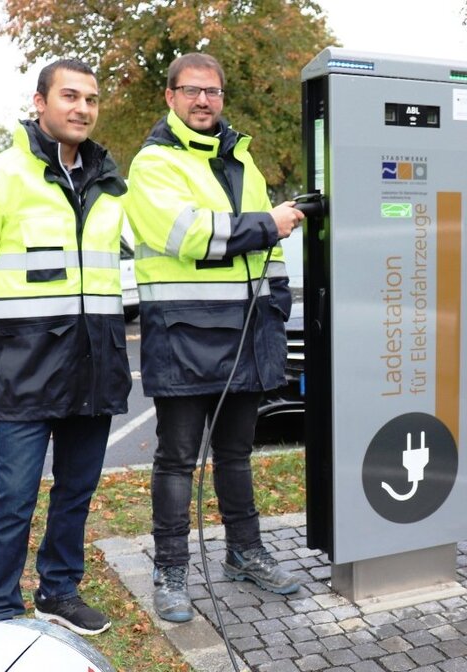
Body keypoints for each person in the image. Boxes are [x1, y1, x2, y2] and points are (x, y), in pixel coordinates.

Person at [0, 59, 132, 636]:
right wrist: (10, 316)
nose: (82, 108)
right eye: (70, 96)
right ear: (39, 102)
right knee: (15, 496)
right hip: (28, 366)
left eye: (91, 99)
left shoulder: (109, 184)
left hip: (96, 364)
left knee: (76, 491)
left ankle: (59, 590)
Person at [123, 53, 304, 623]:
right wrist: (269, 223)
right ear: (170, 96)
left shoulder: (242, 160)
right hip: (184, 333)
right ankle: (171, 570)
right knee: (178, 460)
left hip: (246, 333)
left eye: (213, 91)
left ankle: (244, 553)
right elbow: (189, 235)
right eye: (192, 90)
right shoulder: (154, 163)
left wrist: (277, 305)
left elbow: (270, 255)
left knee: (236, 455)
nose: (204, 100)